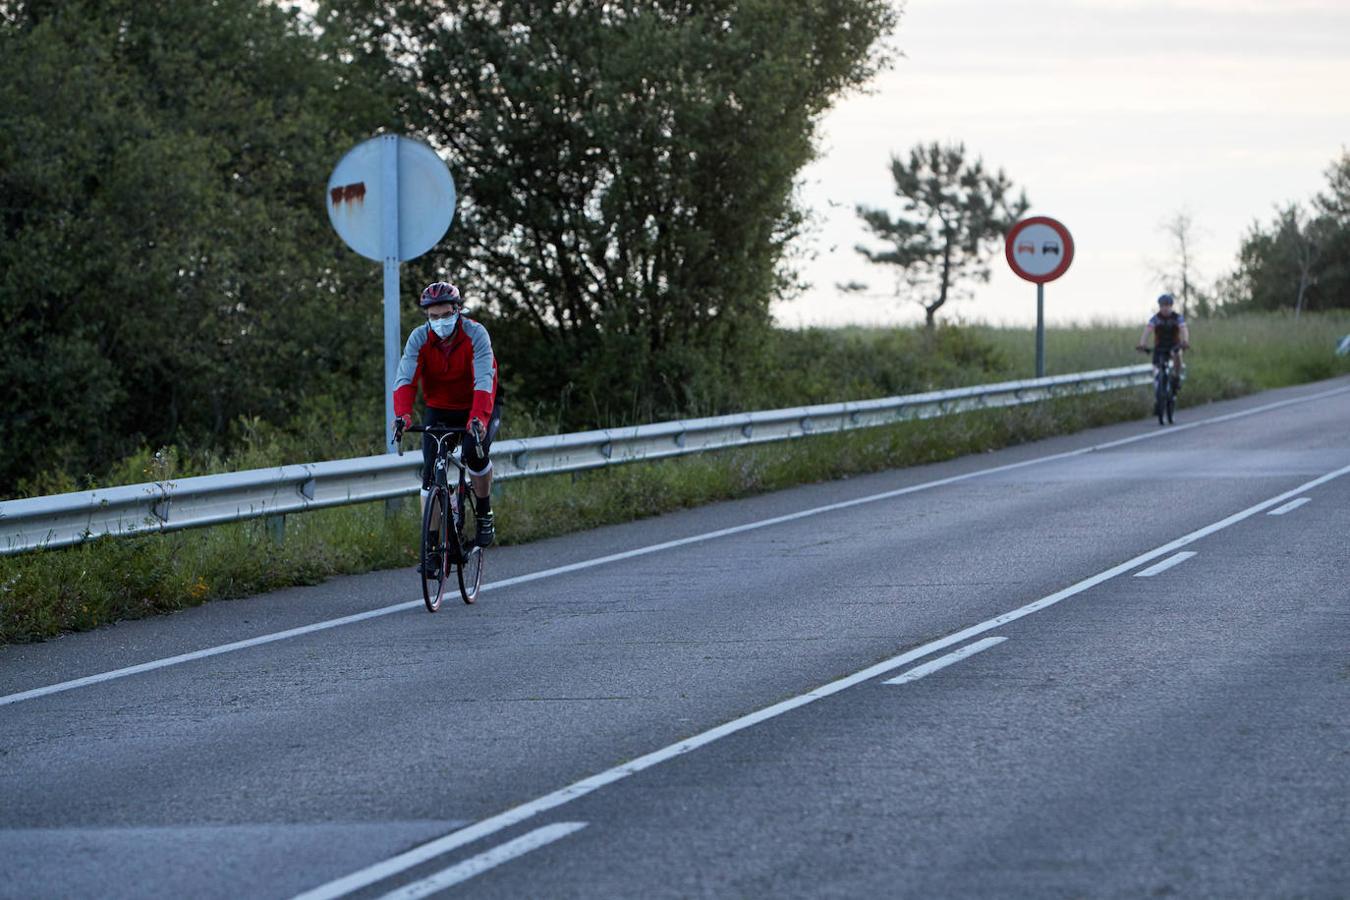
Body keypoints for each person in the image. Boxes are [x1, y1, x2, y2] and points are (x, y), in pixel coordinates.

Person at [392, 281, 500, 549]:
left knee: (475, 456)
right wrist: (403, 415)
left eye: (446, 315)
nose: (440, 322)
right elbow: (405, 379)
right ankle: (430, 544)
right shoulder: (419, 338)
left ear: (458, 310)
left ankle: (484, 513)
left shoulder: (476, 334)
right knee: (430, 471)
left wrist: (478, 418)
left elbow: (484, 379)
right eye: (433, 317)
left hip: (476, 404)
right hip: (440, 408)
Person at [1136, 293, 1190, 393]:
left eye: (1167, 305)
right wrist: (1142, 344)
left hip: (1174, 345)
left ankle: (1176, 378)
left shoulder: (1177, 317)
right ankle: (1158, 386)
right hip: (1160, 346)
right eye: (1162, 306)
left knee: (1177, 355)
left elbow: (1184, 329)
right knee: (1156, 365)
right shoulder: (1156, 318)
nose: (1165, 308)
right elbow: (1147, 330)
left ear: (1171, 306)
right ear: (1160, 306)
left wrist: (1185, 341)